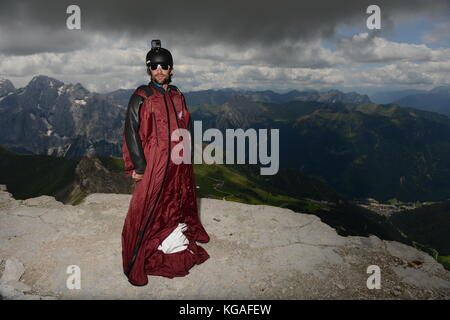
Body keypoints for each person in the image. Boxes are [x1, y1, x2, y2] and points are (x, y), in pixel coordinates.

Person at [121, 40, 210, 286]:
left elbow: (186, 125)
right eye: (154, 66)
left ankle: (171, 232)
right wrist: (137, 167)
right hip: (154, 162)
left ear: (171, 68)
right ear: (148, 69)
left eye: (164, 66)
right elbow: (131, 132)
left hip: (178, 160)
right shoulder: (142, 96)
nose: (159, 70)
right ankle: (137, 256)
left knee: (177, 198)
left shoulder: (177, 95)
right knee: (146, 205)